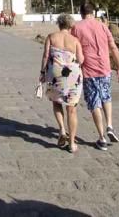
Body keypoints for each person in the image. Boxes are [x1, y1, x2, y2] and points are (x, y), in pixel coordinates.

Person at [72, 2, 119, 151]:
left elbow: (72, 48)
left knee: (94, 101)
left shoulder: (76, 28)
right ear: (93, 12)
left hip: (89, 70)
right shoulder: (102, 26)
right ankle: (110, 125)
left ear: (80, 12)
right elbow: (113, 47)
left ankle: (101, 138)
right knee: (106, 97)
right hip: (105, 68)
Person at [40, 13, 83, 153]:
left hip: (55, 73)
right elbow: (81, 60)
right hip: (73, 75)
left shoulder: (51, 36)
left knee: (57, 102)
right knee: (72, 108)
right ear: (71, 25)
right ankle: (71, 144)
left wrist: (42, 72)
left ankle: (62, 130)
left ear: (59, 24)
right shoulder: (75, 40)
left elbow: (46, 55)